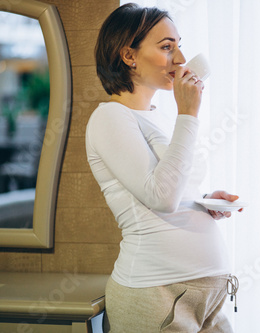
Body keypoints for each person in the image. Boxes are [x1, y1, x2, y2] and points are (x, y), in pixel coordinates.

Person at [86, 3, 241, 332]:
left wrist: (202, 201)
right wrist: (189, 113)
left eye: (179, 45)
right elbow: (161, 197)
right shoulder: (110, 117)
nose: (182, 59)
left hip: (204, 295)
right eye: (167, 47)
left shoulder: (156, 115)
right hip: (156, 294)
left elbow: (171, 188)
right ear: (129, 56)